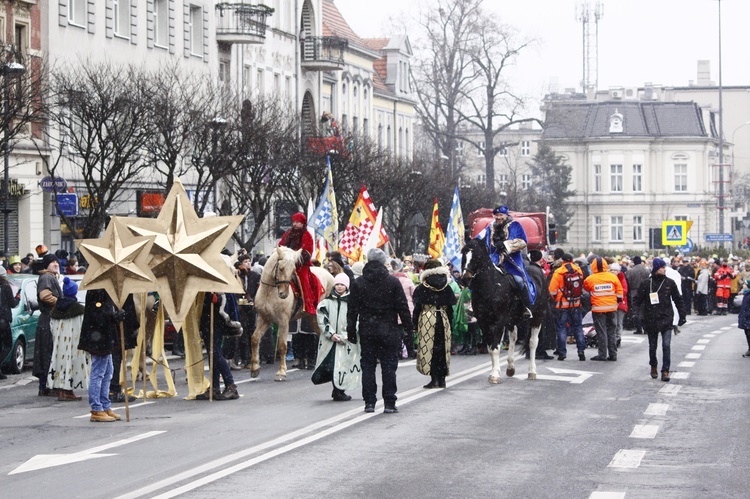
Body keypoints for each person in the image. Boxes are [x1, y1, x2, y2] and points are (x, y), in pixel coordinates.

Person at [347, 248, 413, 414]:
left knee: (368, 366)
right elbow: (403, 307)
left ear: (368, 261)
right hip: (389, 329)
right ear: (384, 262)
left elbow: (352, 310)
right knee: (389, 366)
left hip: (367, 329)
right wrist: (409, 329)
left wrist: (351, 331)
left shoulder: (359, 282)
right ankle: (389, 401)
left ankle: (369, 402)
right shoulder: (392, 282)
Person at [78, 290, 138, 422]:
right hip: (98, 338)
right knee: (98, 372)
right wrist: (113, 316)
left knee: (108, 372)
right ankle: (96, 408)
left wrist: (115, 315)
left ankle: (105, 406)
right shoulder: (97, 290)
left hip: (106, 337)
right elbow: (96, 314)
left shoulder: (106, 289)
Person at [634, 258, 686, 382]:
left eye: (664, 267)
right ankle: (653, 365)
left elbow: (678, 300)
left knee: (666, 345)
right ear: (657, 268)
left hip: (666, 318)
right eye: (662, 267)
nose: (664, 269)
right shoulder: (646, 283)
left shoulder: (670, 283)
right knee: (653, 346)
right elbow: (637, 301)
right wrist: (636, 315)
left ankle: (665, 370)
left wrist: (682, 315)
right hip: (651, 318)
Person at [478, 205, 535, 318]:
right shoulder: (490, 227)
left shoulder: (515, 226)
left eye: (501, 215)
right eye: (496, 215)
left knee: (519, 281)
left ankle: (525, 307)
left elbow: (523, 241)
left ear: (506, 215)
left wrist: (505, 245)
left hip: (511, 261)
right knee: (480, 277)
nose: (498, 217)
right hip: (493, 260)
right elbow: (480, 239)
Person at [313, 273, 361, 401]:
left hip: (346, 341)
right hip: (330, 341)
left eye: (342, 285)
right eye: (337, 284)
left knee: (344, 364)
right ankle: (337, 389)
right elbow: (322, 319)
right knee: (333, 364)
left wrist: (346, 335)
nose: (339, 287)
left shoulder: (352, 302)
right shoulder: (326, 302)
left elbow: (356, 320)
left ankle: (339, 390)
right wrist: (331, 334)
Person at [412, 259, 457, 389]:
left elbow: (418, 307)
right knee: (442, 349)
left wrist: (415, 324)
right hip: (443, 318)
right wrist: (450, 324)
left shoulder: (422, 287)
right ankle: (442, 379)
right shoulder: (446, 286)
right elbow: (450, 308)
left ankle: (434, 379)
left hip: (427, 317)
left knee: (430, 349)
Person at [48, 277, 88, 401]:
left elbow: (52, 326)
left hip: (59, 343)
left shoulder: (56, 309)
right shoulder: (79, 310)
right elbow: (82, 326)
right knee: (71, 364)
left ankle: (61, 389)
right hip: (73, 342)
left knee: (60, 364)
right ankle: (68, 390)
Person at [196, 292, 241, 401]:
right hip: (207, 316)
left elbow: (224, 295)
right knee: (212, 353)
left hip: (216, 317)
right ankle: (215, 387)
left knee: (215, 352)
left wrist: (216, 297)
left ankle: (231, 386)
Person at [278, 212, 322, 315]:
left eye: (298, 222)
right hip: (286, 263)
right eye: (294, 222)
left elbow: (307, 252)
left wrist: (294, 259)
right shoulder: (287, 234)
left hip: (300, 265)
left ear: (302, 223)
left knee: (303, 279)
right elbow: (281, 245)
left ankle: (307, 304)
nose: (295, 224)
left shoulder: (307, 235)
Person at [33, 254, 63, 396]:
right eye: (52, 262)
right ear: (47, 265)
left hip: (49, 319)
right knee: (47, 353)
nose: (56, 264)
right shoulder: (46, 277)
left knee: (48, 353)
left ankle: (46, 386)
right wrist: (60, 303)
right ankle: (45, 386)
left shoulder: (51, 277)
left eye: (57, 262)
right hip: (48, 320)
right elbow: (45, 296)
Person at [583, 256, 623, 361]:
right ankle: (613, 354)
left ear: (593, 266)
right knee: (612, 331)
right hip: (612, 309)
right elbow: (619, 294)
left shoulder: (590, 279)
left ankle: (602, 354)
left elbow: (586, 289)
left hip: (598, 309)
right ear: (606, 266)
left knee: (601, 332)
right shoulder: (613, 277)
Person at [548, 253, 586, 361]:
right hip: (576, 304)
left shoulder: (558, 272)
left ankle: (562, 353)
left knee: (561, 328)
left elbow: (552, 290)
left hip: (562, 304)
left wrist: (557, 299)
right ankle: (581, 351)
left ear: (562, 260)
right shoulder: (578, 270)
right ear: (572, 260)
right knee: (578, 327)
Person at [0, 266, 19, 380]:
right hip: (3, 320)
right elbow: (12, 304)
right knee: (7, 344)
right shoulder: (6, 287)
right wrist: (17, 297)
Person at [626, 255, 650, 334]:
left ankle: (638, 328)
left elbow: (628, 282)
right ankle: (646, 328)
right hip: (645, 292)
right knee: (645, 310)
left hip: (634, 292)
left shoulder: (630, 271)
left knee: (635, 310)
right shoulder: (646, 271)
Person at [609, 262, 628, 347]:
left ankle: (617, 338)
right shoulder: (609, 278)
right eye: (611, 270)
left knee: (618, 322)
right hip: (611, 303)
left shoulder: (621, 278)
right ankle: (613, 339)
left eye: (615, 270)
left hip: (620, 303)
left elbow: (624, 291)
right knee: (613, 322)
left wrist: (615, 296)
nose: (613, 271)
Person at [737, 280, 750, 358]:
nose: (743, 286)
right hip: (746, 317)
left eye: (745, 284)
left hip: (748, 317)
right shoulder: (746, 294)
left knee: (749, 333)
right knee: (747, 333)